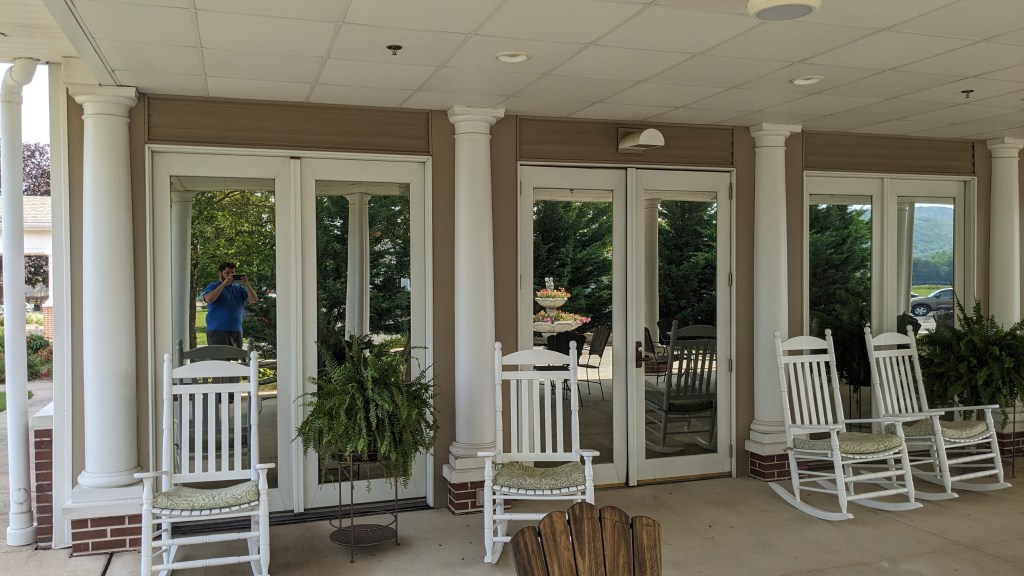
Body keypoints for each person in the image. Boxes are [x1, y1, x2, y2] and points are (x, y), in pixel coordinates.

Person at [203, 262, 258, 347]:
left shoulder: (239, 288)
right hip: (217, 330)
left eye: (232, 273)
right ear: (220, 273)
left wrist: (247, 285)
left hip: (236, 330)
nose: (230, 275)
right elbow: (209, 299)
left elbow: (254, 300)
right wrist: (224, 284)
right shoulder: (213, 286)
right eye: (227, 273)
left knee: (236, 358)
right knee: (219, 359)